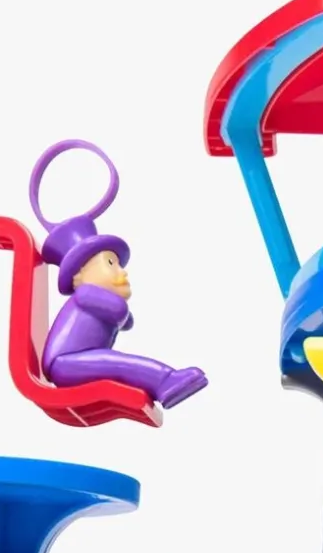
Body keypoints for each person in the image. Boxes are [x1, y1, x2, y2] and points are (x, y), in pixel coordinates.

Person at [30, 139, 207, 409]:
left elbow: (120, 317)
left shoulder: (93, 299)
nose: (121, 272)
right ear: (79, 276)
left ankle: (165, 381)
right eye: (111, 263)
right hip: (65, 362)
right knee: (119, 363)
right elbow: (119, 312)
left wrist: (123, 317)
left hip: (78, 359)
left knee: (115, 363)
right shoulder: (85, 295)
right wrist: (124, 314)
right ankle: (166, 380)